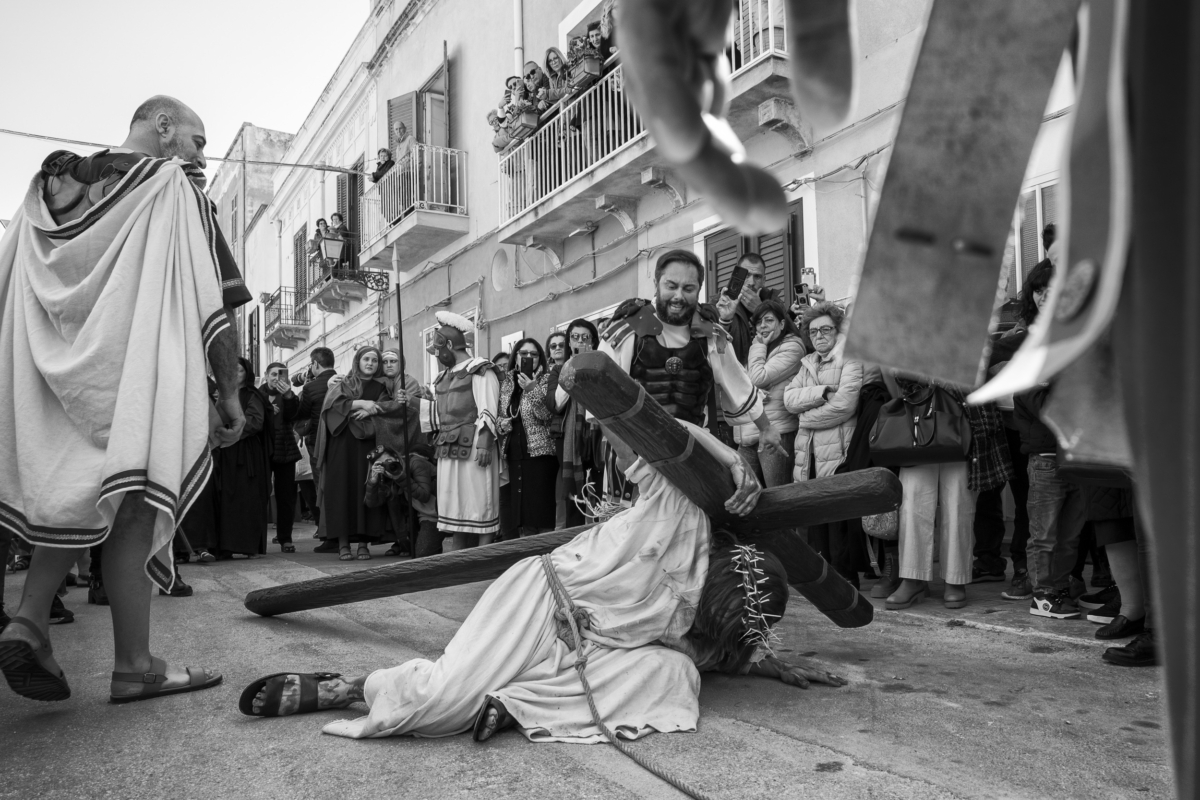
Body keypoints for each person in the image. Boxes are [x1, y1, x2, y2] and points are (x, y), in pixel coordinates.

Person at [240, 419, 846, 738]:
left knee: (675, 675)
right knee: (443, 706)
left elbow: (717, 653)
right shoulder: (678, 519)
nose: (700, 618)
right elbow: (657, 428)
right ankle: (349, 686)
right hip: (538, 600)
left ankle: (520, 703)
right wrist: (732, 459)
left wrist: (770, 661)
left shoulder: (702, 630)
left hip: (582, 645)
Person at [0, 95, 239, 702]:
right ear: (164, 126)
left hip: (51, 378)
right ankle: (135, 665)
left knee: (71, 493)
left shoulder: (49, 191)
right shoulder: (171, 189)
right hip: (131, 375)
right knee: (134, 505)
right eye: (198, 140)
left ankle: (29, 621)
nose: (201, 155)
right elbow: (213, 302)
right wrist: (230, 392)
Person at [599, 250, 781, 456]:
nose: (678, 296)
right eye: (671, 286)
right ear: (656, 283)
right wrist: (624, 456)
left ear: (698, 290)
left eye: (688, 288)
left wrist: (766, 428)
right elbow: (600, 398)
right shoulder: (625, 330)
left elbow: (740, 385)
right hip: (635, 453)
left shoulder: (711, 335)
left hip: (692, 452)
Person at [884, 373, 1012, 611]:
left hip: (966, 417)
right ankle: (912, 578)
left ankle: (955, 578)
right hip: (918, 416)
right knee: (912, 504)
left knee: (958, 505)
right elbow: (897, 374)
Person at [972, 262, 1050, 586]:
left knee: (1025, 496)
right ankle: (988, 560)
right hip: (991, 421)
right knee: (988, 494)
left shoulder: (1022, 316)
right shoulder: (979, 317)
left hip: (1024, 423)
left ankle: (1022, 565)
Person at [783, 302, 864, 582]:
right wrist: (822, 392)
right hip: (810, 456)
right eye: (813, 331)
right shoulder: (808, 363)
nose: (819, 335)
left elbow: (845, 405)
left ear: (838, 330)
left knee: (839, 529)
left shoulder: (850, 358)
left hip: (839, 455)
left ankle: (846, 586)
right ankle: (826, 586)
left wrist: (805, 418)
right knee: (818, 527)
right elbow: (788, 399)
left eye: (826, 329)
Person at [409, 311, 501, 550]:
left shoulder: (481, 370)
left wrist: (485, 444)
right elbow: (441, 415)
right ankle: (457, 555)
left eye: (438, 350)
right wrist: (411, 401)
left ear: (449, 346)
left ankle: (483, 553)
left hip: (474, 446)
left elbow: (488, 409)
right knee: (455, 506)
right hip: (448, 446)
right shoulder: (442, 377)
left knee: (479, 501)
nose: (436, 355)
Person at [316, 346, 391, 561]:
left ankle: (364, 544)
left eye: (374, 360)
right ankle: (343, 544)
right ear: (357, 361)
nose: (370, 363)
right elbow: (331, 407)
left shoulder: (382, 387)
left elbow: (385, 409)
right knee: (341, 491)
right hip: (341, 444)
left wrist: (371, 409)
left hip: (368, 445)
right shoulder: (344, 382)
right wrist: (361, 403)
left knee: (366, 488)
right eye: (366, 359)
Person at [739, 300, 805, 487]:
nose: (763, 326)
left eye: (768, 320)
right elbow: (741, 386)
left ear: (782, 324)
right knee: (745, 492)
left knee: (777, 494)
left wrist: (758, 346)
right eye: (759, 322)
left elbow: (757, 378)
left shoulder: (792, 347)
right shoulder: (760, 349)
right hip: (748, 432)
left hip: (777, 431)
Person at [498, 338, 557, 539]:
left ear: (540, 358)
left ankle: (546, 551)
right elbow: (500, 416)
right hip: (515, 454)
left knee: (542, 512)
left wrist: (532, 390)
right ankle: (530, 554)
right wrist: (502, 424)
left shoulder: (547, 380)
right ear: (515, 357)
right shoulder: (507, 383)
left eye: (534, 354)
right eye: (523, 354)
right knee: (523, 516)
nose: (528, 357)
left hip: (541, 455)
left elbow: (546, 414)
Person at [213, 358, 271, 559]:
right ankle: (225, 546)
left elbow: (255, 422)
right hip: (225, 452)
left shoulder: (252, 395)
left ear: (247, 373)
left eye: (238, 370)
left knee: (246, 498)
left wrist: (229, 431)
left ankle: (247, 545)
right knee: (225, 498)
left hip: (245, 454)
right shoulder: (222, 396)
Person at [546, 319, 602, 529]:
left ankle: (598, 533)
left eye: (585, 337)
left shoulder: (600, 366)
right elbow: (555, 404)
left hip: (597, 435)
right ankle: (575, 536)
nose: (580, 341)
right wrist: (572, 368)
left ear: (593, 341)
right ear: (569, 342)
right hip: (568, 440)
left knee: (598, 488)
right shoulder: (559, 370)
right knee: (573, 497)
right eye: (575, 337)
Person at [375, 349, 426, 555]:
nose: (388, 365)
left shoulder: (408, 382)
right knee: (393, 497)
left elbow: (399, 409)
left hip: (409, 447)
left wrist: (373, 408)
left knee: (407, 498)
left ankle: (410, 541)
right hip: (393, 447)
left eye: (393, 361)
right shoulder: (385, 383)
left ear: (401, 363)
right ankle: (401, 540)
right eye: (385, 361)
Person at [298, 347, 337, 550]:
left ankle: (328, 534)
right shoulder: (344, 382)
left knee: (321, 486)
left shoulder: (310, 388)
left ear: (315, 364)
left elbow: (302, 413)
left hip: (317, 441)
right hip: (339, 440)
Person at [714, 252, 780, 365]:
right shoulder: (718, 305)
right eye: (746, 275)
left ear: (764, 280)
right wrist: (724, 320)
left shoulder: (775, 303)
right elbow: (715, 351)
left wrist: (761, 310)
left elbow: (788, 339)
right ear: (736, 277)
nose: (751, 283)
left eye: (757, 277)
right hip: (733, 373)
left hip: (766, 371)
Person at [263, 363, 301, 554]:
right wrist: (268, 411)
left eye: (280, 374)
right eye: (273, 374)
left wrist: (288, 396)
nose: (276, 378)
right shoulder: (257, 394)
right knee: (260, 494)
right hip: (263, 449)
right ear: (266, 376)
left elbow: (294, 415)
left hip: (285, 449)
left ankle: (285, 538)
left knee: (286, 496)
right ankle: (256, 540)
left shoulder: (289, 395)